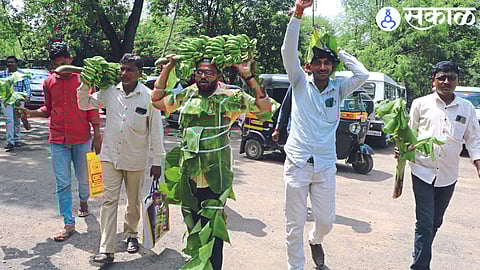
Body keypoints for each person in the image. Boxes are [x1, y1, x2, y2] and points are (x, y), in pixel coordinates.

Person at [151, 56, 272, 269]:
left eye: (208, 72)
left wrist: (249, 76)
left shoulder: (229, 98)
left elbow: (265, 109)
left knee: (213, 233)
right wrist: (168, 68)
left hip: (216, 177)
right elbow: (157, 100)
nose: (203, 76)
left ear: (218, 75)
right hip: (188, 175)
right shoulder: (187, 96)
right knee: (193, 228)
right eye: (199, 72)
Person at [281, 0, 369, 269]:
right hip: (297, 164)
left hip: (325, 166)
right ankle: (296, 266)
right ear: (308, 66)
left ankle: (316, 240)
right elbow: (288, 50)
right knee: (293, 224)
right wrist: (298, 14)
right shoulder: (298, 82)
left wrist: (338, 50)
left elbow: (362, 74)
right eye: (317, 62)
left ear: (332, 67)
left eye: (326, 63)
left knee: (325, 221)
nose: (322, 67)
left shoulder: (339, 88)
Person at [77, 53, 166, 264]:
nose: (124, 73)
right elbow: (84, 104)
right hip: (110, 156)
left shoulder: (149, 97)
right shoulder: (109, 91)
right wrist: (85, 83)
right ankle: (106, 249)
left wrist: (157, 161)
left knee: (133, 201)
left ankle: (131, 235)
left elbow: (156, 131)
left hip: (135, 158)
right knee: (109, 201)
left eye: (130, 70)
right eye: (122, 69)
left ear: (139, 73)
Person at [21, 42, 102, 241]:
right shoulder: (49, 82)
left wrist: (98, 133)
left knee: (83, 179)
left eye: (65, 63)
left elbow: (91, 107)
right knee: (63, 182)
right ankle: (68, 222)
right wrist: (30, 113)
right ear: (53, 65)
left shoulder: (84, 79)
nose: (63, 69)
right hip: (57, 140)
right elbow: (48, 109)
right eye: (58, 65)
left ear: (71, 60)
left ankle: (84, 201)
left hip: (82, 138)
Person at [406, 61, 480, 270]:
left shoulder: (466, 108)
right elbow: (410, 134)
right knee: (424, 222)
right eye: (442, 77)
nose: (446, 82)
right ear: (434, 81)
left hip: (448, 175)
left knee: (435, 222)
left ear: (457, 81)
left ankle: (421, 249)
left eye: (451, 78)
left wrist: (477, 162)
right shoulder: (420, 104)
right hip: (421, 170)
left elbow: (474, 139)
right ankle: (420, 266)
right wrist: (403, 151)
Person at [0, 56, 31, 152]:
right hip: (6, 100)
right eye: (8, 62)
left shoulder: (22, 74)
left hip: (18, 99)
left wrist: (27, 97)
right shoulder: (2, 74)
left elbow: (27, 87)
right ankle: (10, 141)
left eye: (12, 62)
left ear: (16, 63)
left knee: (17, 119)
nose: (10, 64)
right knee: (9, 119)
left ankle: (17, 139)